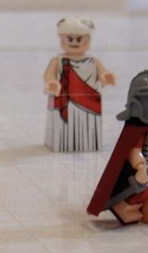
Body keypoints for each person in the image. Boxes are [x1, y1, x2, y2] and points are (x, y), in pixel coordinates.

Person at [87, 69, 148, 227]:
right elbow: (134, 152)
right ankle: (125, 207)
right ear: (143, 105)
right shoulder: (138, 130)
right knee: (145, 188)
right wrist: (141, 166)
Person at [43, 16, 116, 152]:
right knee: (64, 127)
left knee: (87, 125)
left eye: (79, 39)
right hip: (64, 98)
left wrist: (105, 77)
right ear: (62, 39)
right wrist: (51, 82)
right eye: (69, 38)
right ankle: (64, 144)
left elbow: (102, 73)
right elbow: (49, 74)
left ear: (88, 40)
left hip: (90, 101)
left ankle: (88, 144)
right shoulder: (58, 61)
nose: (74, 42)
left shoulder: (94, 61)